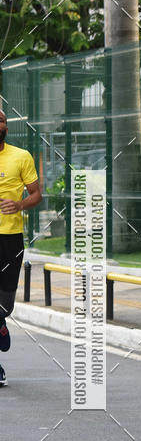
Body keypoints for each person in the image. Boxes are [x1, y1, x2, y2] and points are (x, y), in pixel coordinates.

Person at [0, 108, 42, 385]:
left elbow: (37, 194)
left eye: (1, 119)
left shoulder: (21, 156)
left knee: (5, 304)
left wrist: (19, 205)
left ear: (6, 126)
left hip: (10, 238)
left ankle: (1, 321)